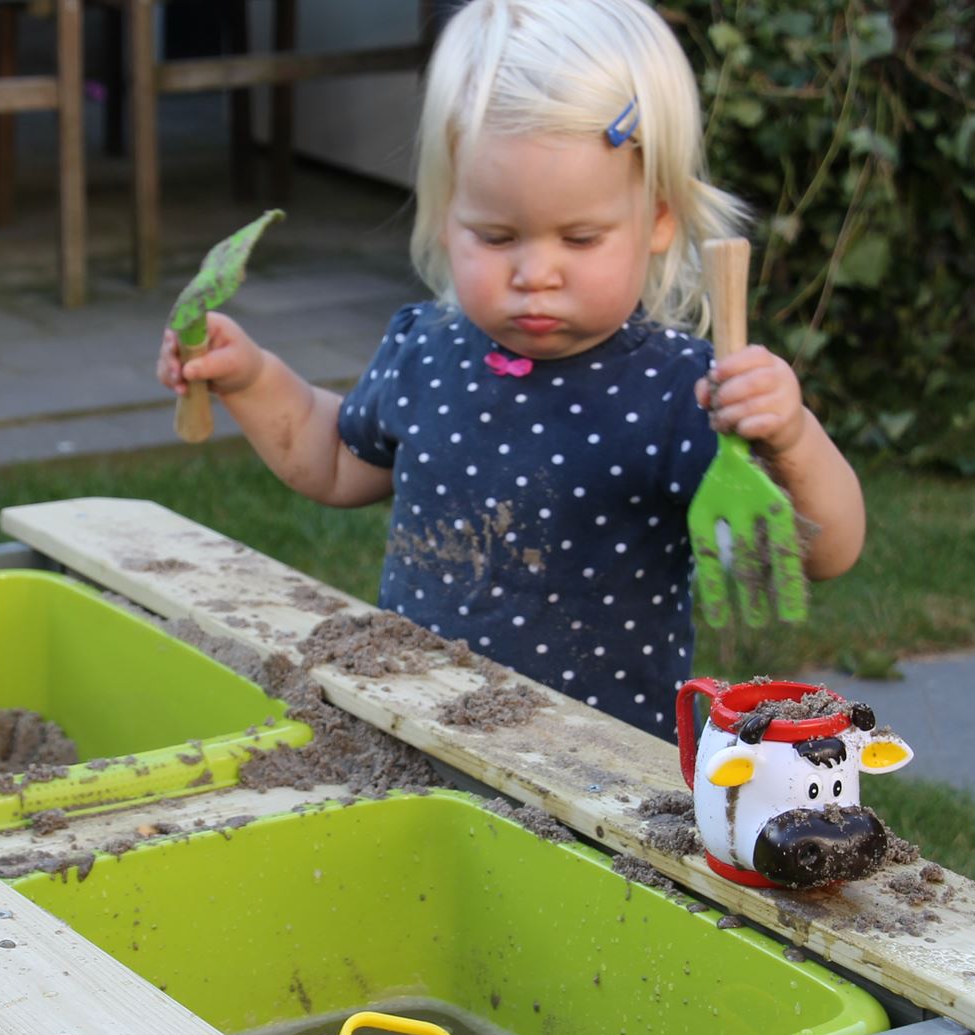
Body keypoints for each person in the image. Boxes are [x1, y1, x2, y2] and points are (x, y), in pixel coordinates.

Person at [155, 0, 865, 741]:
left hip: (597, 770)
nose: (536, 273)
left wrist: (792, 439)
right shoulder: (427, 351)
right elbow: (335, 459)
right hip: (419, 734)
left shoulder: (680, 393)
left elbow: (824, 551)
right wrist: (250, 375)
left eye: (581, 238)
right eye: (495, 236)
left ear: (658, 219)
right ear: (443, 216)